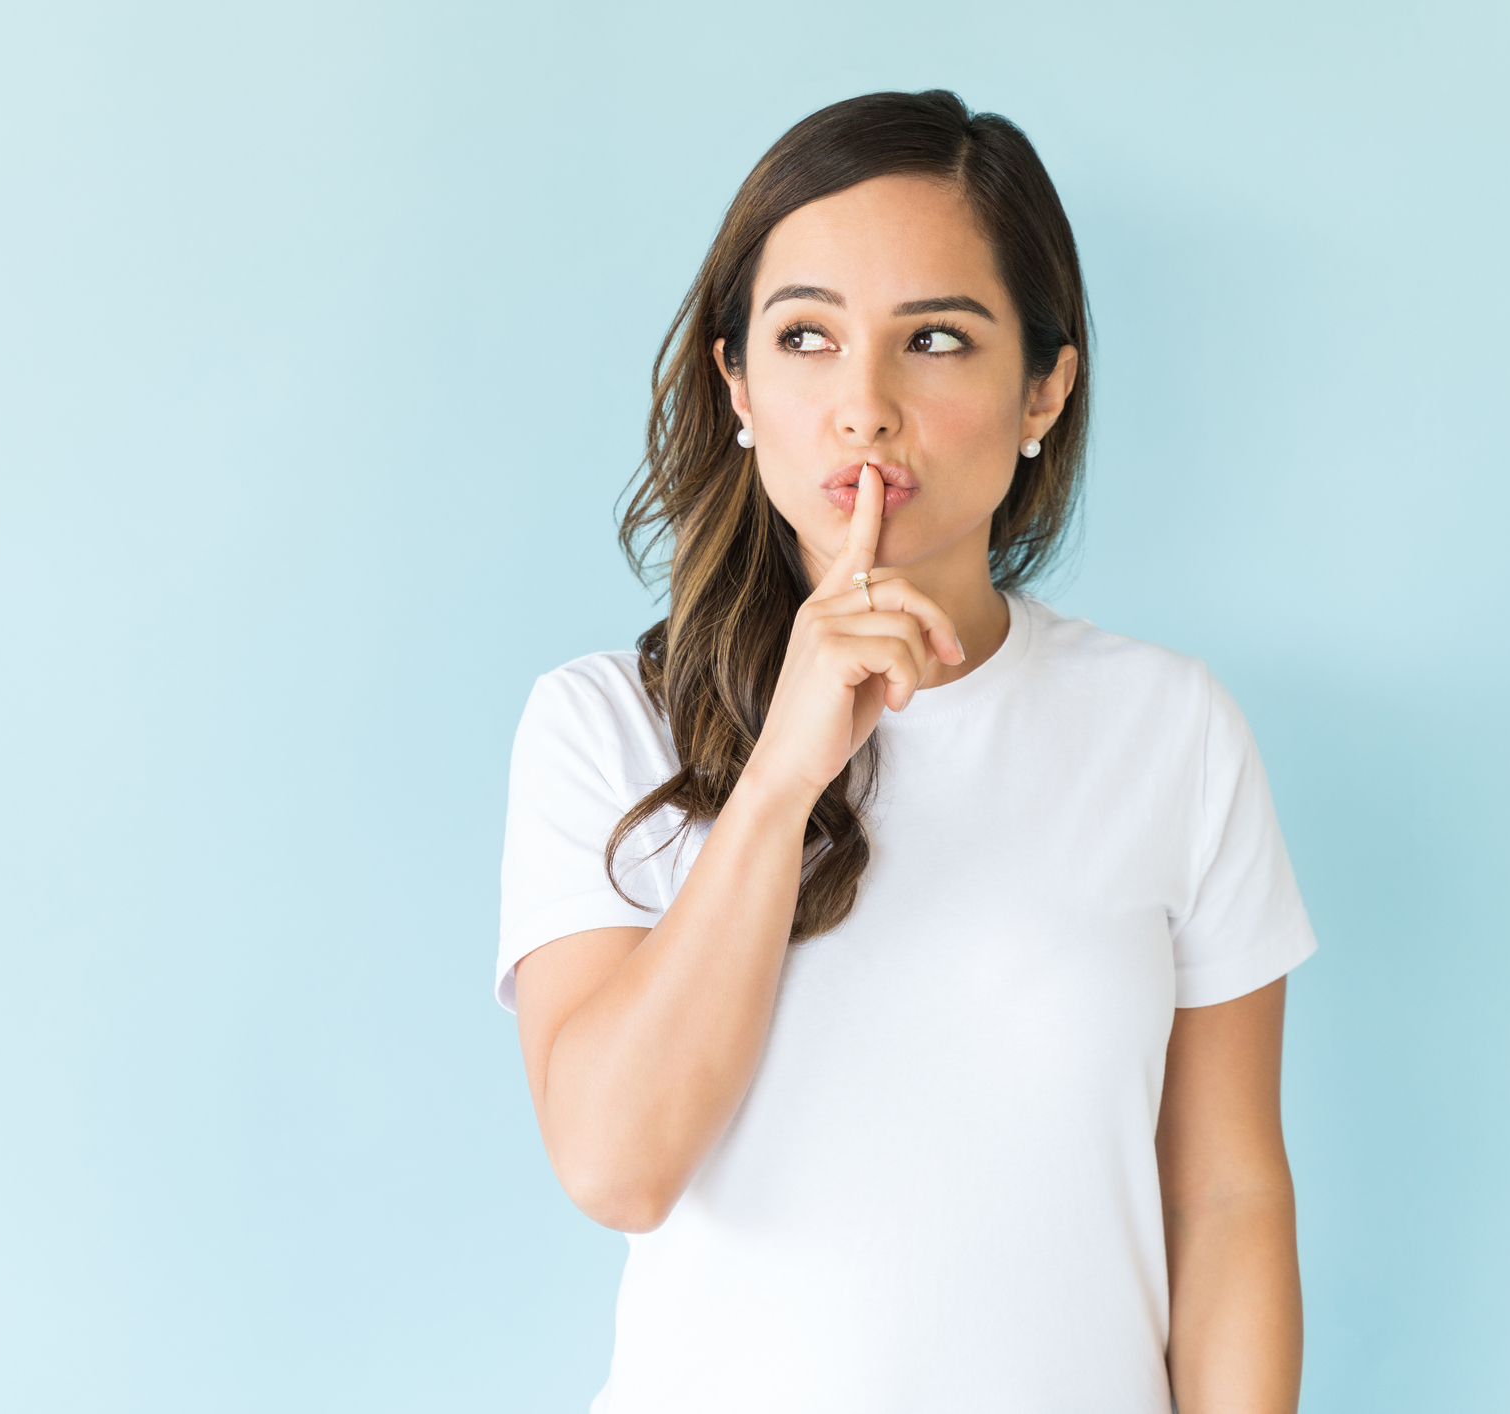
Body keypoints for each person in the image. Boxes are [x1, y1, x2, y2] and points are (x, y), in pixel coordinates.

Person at [494, 90, 1317, 1413]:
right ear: (738, 383)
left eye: (935, 338)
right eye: (806, 336)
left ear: (1045, 385)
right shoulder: (602, 725)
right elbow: (617, 1162)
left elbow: (1225, 1197)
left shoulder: (1173, 731)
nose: (863, 407)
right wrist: (780, 777)